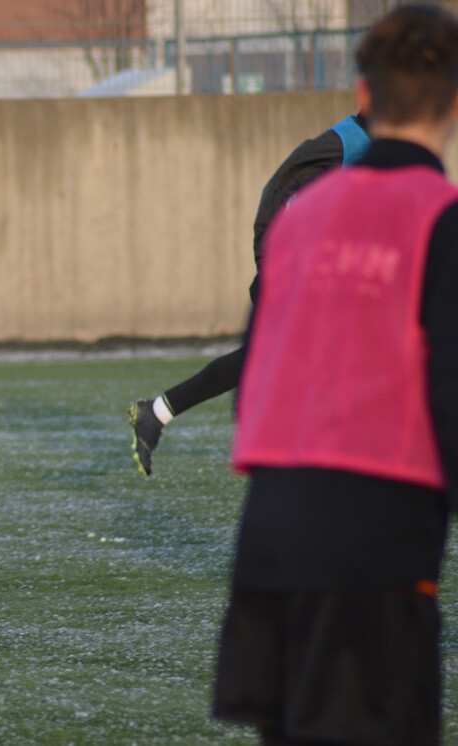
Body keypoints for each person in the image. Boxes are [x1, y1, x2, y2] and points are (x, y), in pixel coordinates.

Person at [214, 5, 458, 744]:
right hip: (372, 553)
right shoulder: (440, 219)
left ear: (363, 94)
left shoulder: (302, 216)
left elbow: (255, 385)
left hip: (269, 545)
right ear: (451, 103)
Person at [127, 113, 370, 476]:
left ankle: (158, 413)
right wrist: (271, 257)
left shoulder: (384, 149)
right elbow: (281, 184)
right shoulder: (350, 140)